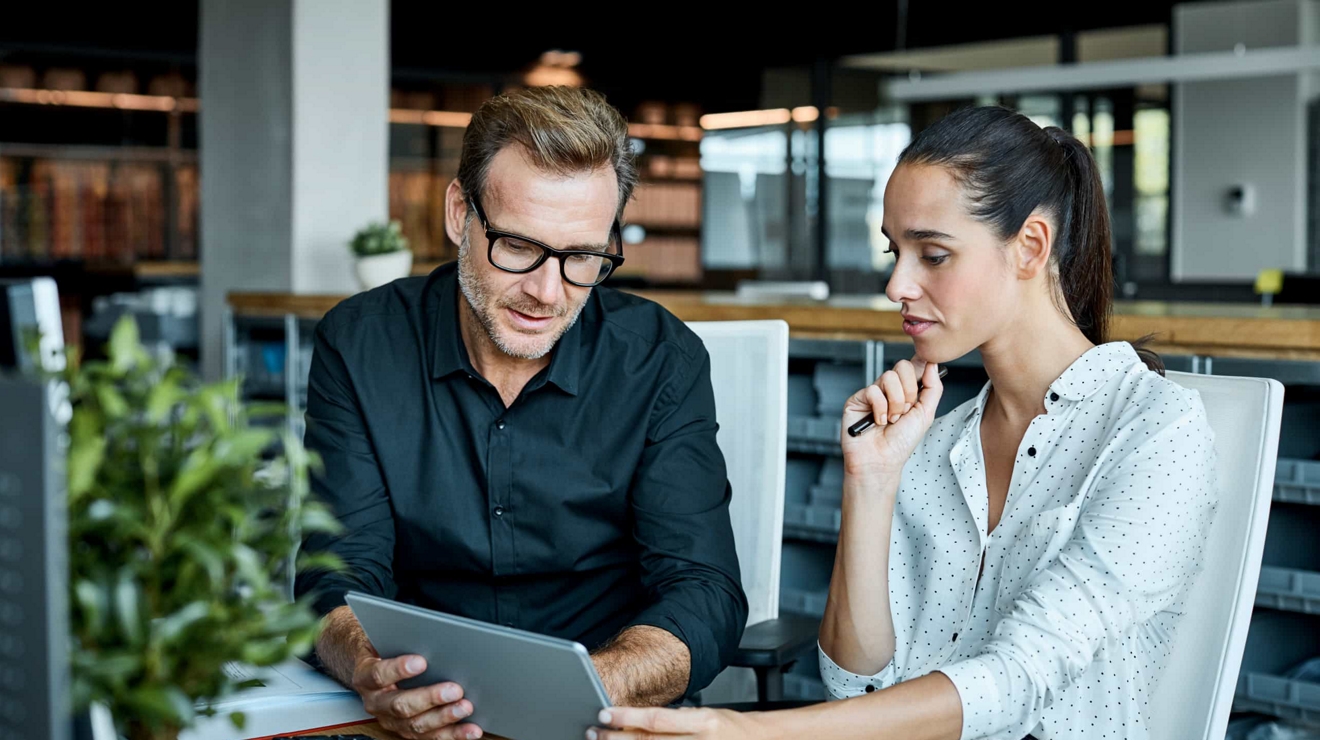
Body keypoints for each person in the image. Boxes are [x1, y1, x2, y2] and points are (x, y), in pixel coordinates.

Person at [590, 106, 1217, 740]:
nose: (896, 284)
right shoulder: (935, 440)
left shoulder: (1157, 434)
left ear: (1030, 246)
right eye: (896, 251)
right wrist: (871, 481)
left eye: (934, 255)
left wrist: (750, 732)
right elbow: (855, 681)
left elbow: (1020, 676)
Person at [294, 86, 748, 740]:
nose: (546, 291)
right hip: (414, 715)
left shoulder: (660, 361)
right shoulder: (361, 344)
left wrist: (589, 685)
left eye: (582, 258)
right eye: (516, 246)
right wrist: (371, 669)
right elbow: (335, 572)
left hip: (600, 717)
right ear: (459, 213)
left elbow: (704, 592)